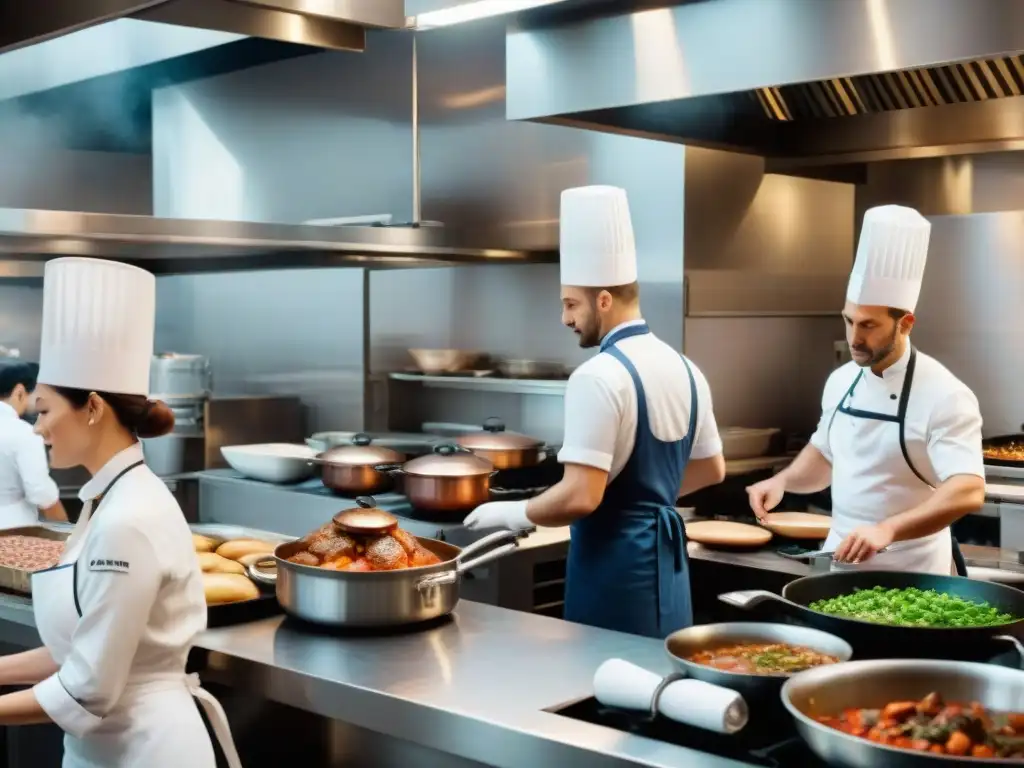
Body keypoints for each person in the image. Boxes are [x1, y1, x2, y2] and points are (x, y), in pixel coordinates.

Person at [0, 257, 241, 767]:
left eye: (44, 410)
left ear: (92, 407)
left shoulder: (129, 519)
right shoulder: (105, 500)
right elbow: (81, 650)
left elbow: (88, 690)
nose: (38, 428)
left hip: (146, 751)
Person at [465, 185, 725, 638]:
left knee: (603, 693)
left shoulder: (597, 376)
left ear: (604, 300)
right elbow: (710, 469)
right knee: (663, 688)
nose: (565, 318)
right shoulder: (686, 368)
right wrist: (642, 503)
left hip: (615, 573)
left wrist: (516, 513)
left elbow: (581, 496)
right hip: (668, 570)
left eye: (571, 304)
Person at [747, 205, 985, 574]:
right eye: (848, 321)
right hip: (838, 569)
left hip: (914, 579)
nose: (854, 337)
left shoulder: (945, 395)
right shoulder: (841, 380)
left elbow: (968, 489)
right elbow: (825, 455)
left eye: (869, 326)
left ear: (905, 324)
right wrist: (782, 482)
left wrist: (887, 529)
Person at [0, 360, 66, 526]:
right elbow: (41, 492)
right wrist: (68, 532)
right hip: (11, 533)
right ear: (20, 392)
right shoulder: (24, 433)